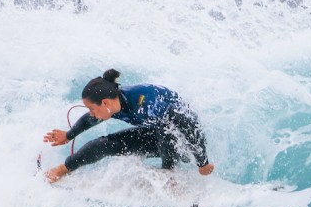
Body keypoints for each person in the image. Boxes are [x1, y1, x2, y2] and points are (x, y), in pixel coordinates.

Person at [43, 69, 215, 183]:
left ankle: (170, 178)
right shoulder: (113, 104)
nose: (91, 113)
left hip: (184, 142)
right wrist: (68, 136)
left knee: (165, 128)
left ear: (104, 103)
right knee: (103, 144)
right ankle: (62, 170)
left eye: (92, 109)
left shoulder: (145, 102)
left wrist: (202, 162)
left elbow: (188, 124)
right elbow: (89, 120)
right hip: (158, 134)